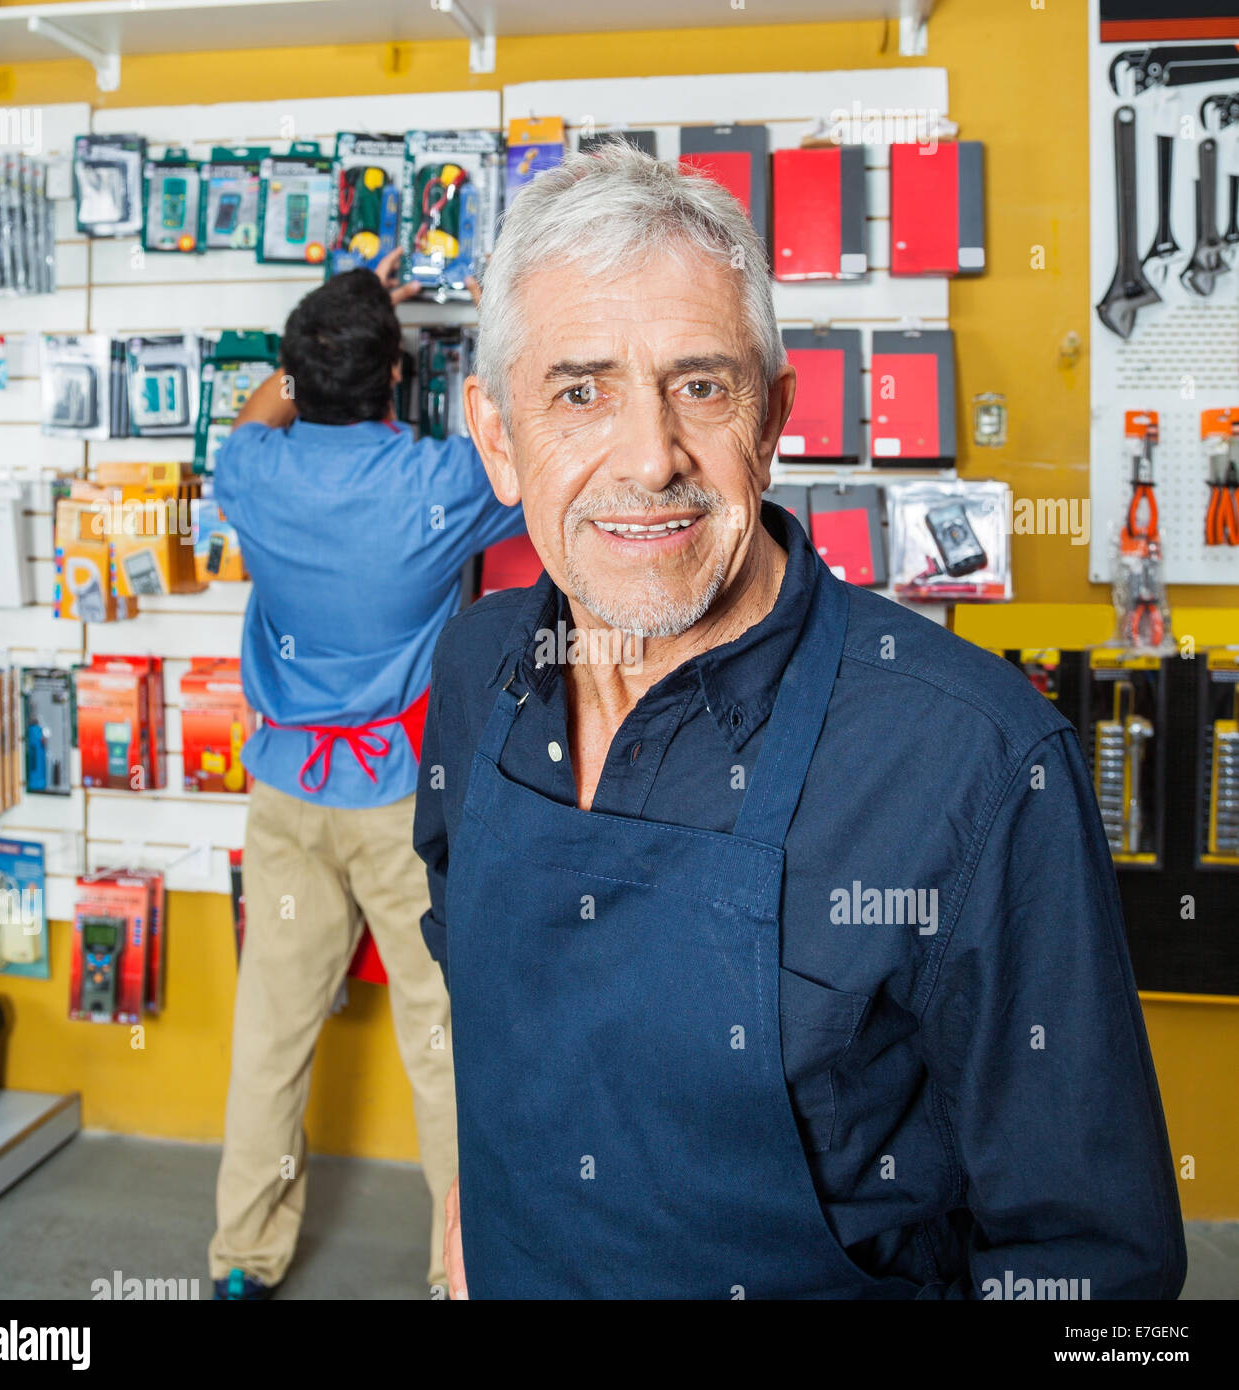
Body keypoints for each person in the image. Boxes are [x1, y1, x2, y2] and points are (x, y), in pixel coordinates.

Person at [413, 144, 1187, 1300]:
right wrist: (478, 1211)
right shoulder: (477, 668)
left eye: (700, 386)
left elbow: (1091, 1264)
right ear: (494, 435)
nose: (649, 459)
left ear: (772, 418)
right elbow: (482, 988)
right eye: (579, 391)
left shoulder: (969, 758)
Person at [208, 253, 524, 1299]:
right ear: (398, 376)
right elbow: (522, 438)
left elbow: (265, 409)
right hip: (397, 801)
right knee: (439, 1038)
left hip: (286, 793)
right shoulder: (439, 484)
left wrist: (336, 333)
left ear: (301, 372)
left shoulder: (250, 470)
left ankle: (240, 1264)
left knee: (270, 1037)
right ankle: (457, 1274)